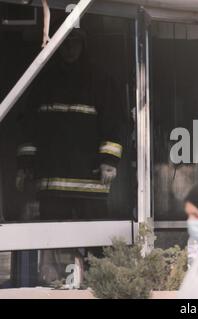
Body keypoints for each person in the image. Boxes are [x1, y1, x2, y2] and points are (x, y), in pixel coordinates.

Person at [16, 27, 124, 285]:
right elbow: (29, 125)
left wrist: (109, 161)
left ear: (83, 45)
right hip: (51, 181)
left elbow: (114, 121)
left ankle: (100, 284)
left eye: (74, 42)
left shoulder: (99, 80)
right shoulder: (43, 81)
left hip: (90, 181)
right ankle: (51, 283)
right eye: (64, 43)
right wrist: (25, 164)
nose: (69, 48)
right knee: (51, 240)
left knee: (96, 243)